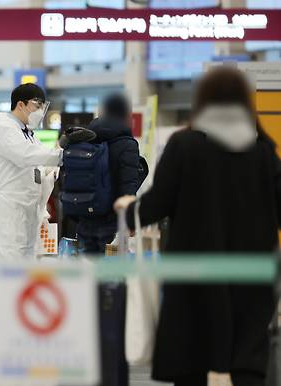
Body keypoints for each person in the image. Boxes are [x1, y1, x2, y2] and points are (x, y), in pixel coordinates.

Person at [114, 66, 280, 386]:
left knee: (191, 356)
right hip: (252, 274)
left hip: (193, 274)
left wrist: (128, 208)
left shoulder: (184, 145)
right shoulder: (262, 151)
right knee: (248, 359)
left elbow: (157, 203)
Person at [0, 83, 61, 262]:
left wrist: (54, 169)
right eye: (37, 105)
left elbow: (38, 165)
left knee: (25, 262)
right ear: (21, 105)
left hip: (26, 207)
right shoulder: (4, 129)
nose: (41, 111)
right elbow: (24, 155)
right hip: (8, 206)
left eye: (43, 106)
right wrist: (59, 157)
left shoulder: (28, 134)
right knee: (8, 260)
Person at [76, 93, 143, 253]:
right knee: (112, 269)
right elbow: (128, 184)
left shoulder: (85, 138)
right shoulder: (127, 144)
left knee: (88, 264)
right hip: (112, 219)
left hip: (85, 212)